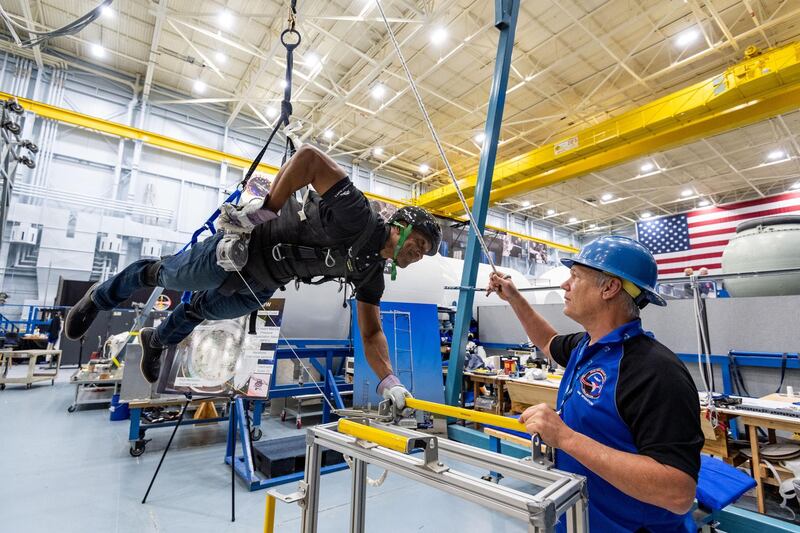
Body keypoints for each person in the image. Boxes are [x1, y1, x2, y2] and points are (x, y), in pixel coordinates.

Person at [65, 144, 442, 409]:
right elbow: (308, 159)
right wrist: (266, 210)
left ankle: (157, 340)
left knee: (202, 310)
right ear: (400, 226)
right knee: (167, 275)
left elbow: (372, 332)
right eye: (420, 242)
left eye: (424, 252)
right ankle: (100, 297)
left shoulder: (372, 273)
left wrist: (389, 381)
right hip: (243, 247)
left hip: (263, 281)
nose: (418, 253)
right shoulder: (358, 214)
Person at [486, 235, 703, 532]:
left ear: (610, 287)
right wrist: (514, 296)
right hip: (577, 520)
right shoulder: (586, 347)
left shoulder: (654, 371)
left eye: (575, 276)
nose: (565, 285)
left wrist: (565, 438)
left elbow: (678, 493)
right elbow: (548, 342)